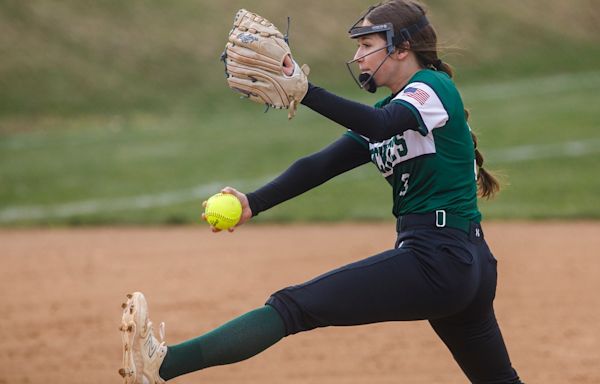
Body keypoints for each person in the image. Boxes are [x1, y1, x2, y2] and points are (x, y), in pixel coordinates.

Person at [118, 1, 523, 383]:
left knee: (293, 306)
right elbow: (320, 166)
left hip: (437, 258)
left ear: (402, 49)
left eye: (367, 44)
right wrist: (252, 204)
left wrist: (306, 91)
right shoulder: (393, 109)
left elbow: (381, 126)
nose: (359, 55)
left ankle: (164, 365)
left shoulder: (431, 87)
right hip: (462, 260)